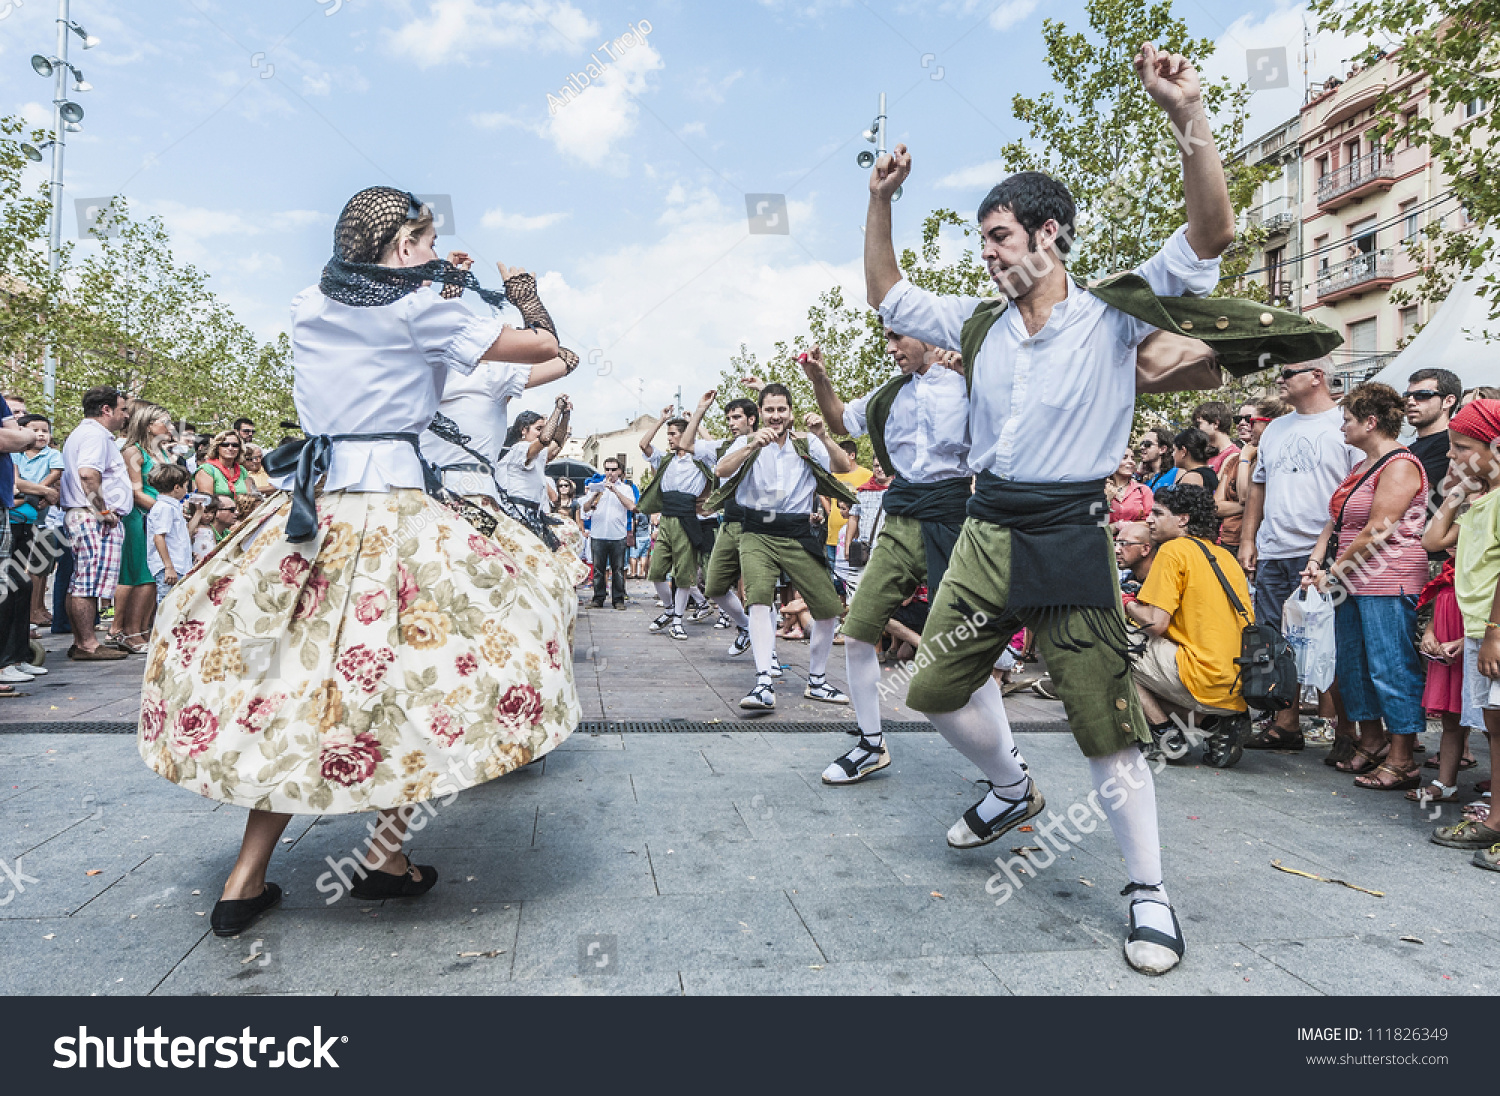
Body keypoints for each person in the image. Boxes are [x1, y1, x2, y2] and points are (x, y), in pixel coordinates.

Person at [865, 42, 1256, 976]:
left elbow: (1214, 233)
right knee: (929, 690)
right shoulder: (975, 323)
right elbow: (883, 294)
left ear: (1049, 235)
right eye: (983, 240)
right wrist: (880, 201)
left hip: (1071, 536)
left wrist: (1185, 116)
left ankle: (1148, 893)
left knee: (1108, 727)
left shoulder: (1115, 314)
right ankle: (1009, 787)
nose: (987, 252)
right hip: (988, 531)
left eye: (998, 235)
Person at [139, 186, 579, 937]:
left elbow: (375, 314)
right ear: (402, 248)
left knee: (292, 688)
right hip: (396, 514)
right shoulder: (424, 310)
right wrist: (520, 297)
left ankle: (246, 879)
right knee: (413, 681)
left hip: (310, 514)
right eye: (428, 240)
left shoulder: (309, 303)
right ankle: (382, 856)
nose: (439, 251)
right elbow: (546, 351)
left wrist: (429, 278)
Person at [799, 335, 971, 785]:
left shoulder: (971, 381)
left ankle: (1007, 763)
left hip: (953, 520)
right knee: (857, 635)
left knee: (971, 647)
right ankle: (871, 744)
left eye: (898, 336)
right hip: (900, 519)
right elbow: (839, 420)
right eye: (887, 337)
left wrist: (972, 368)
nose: (891, 346)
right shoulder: (889, 394)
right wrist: (819, 378)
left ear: (930, 334)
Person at [1300, 383, 1428, 788]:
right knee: (1353, 665)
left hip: (1387, 579)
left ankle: (1403, 757)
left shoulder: (1401, 464)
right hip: (1349, 580)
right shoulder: (1360, 468)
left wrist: (1333, 571)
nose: (1342, 428)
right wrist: (1317, 562)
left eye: (1348, 420)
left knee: (1390, 667)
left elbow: (1377, 529)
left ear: (1371, 423)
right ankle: (1371, 742)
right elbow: (1336, 521)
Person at [1239, 358, 1360, 751]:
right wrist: (1248, 539)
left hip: (1325, 552)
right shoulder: (1274, 428)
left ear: (1316, 377)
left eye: (1287, 374)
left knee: (1331, 640)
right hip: (1275, 549)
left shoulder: (1346, 424)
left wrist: (1336, 553)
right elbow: (1258, 487)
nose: (1280, 381)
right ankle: (1286, 724)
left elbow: (1360, 488)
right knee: (1275, 639)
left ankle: (1345, 730)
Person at [711, 383, 855, 711]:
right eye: (769, 410)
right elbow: (720, 471)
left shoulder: (806, 443)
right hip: (756, 531)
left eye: (781, 410)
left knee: (828, 610)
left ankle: (817, 681)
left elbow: (843, 468)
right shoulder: (745, 441)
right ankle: (763, 682)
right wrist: (750, 447)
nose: (775, 416)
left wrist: (824, 435)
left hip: (796, 531)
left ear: (790, 413)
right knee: (759, 601)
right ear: (759, 413)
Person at [1125, 485, 1251, 767]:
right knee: (1141, 661)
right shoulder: (1224, 556)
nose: (1149, 519)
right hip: (1237, 681)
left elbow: (1156, 624)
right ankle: (1215, 723)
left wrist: (1126, 603)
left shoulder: (1172, 550)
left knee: (1110, 646)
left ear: (1183, 519)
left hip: (1203, 679)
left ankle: (1163, 732)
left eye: (1158, 513)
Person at [1426, 398, 1500, 868]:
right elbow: (1436, 543)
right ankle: (1495, 820)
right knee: (1494, 730)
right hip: (1479, 629)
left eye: (1462, 447)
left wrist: (1493, 630)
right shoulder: (1482, 498)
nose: (1452, 457)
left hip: (1493, 629)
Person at [638, 393, 721, 640]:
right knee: (655, 572)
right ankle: (670, 610)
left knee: (683, 575)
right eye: (669, 434)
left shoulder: (700, 459)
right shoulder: (666, 459)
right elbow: (643, 445)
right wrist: (661, 420)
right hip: (667, 518)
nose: (670, 438)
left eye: (674, 434)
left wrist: (697, 423)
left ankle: (677, 621)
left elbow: (718, 447)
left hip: (688, 518)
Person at [60, 386, 134, 662]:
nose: (125, 415)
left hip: (85, 514)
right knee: (88, 581)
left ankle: (83, 640)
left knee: (82, 579)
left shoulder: (86, 433)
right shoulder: (95, 435)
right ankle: (88, 643)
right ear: (106, 410)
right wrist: (102, 511)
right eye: (122, 409)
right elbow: (89, 474)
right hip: (92, 516)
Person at [702, 396, 761, 656]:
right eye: (728, 418)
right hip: (730, 521)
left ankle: (766, 654)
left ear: (752, 418)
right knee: (714, 587)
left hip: (758, 523)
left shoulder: (765, 440)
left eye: (736, 417)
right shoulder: (729, 446)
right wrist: (700, 411)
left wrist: (762, 389)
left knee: (759, 593)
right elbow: (687, 443)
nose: (731, 423)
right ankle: (746, 627)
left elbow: (785, 421)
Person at [114, 401, 174, 654]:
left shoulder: (163, 452)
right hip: (141, 516)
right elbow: (136, 491)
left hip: (161, 517)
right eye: (166, 422)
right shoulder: (133, 452)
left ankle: (144, 628)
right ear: (149, 426)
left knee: (157, 573)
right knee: (141, 574)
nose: (171, 426)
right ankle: (130, 631)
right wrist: (163, 508)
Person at [0, 397, 43, 692]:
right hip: (12, 515)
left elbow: (17, 438)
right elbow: (12, 439)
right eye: (14, 414)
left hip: (12, 516)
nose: (20, 419)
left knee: (18, 584)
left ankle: (13, 658)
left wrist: (20, 435)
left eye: (20, 413)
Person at [11, 414, 64, 627]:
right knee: (22, 569)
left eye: (45, 430)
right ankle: (28, 614)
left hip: (43, 518)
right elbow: (16, 483)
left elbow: (55, 475)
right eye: (36, 430)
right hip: (20, 516)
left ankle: (37, 608)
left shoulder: (52, 455)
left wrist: (40, 492)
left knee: (42, 567)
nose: (41, 434)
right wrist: (40, 493)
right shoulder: (16, 456)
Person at [583, 457, 636, 609]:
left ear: (619, 471)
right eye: (607, 469)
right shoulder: (596, 487)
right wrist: (595, 494)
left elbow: (631, 506)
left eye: (613, 470)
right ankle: (598, 598)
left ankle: (618, 600)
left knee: (618, 570)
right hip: (598, 534)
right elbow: (585, 508)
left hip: (617, 535)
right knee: (598, 570)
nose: (610, 473)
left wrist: (615, 490)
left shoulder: (626, 489)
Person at [1404, 368, 1461, 507]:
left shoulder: (1450, 445)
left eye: (1422, 395)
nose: (1411, 402)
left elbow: (1410, 494)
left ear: (1448, 401)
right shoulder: (1410, 448)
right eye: (1407, 395)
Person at [1212, 402, 1257, 558]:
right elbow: (1216, 506)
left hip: (1255, 544)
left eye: (1248, 419)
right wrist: (1253, 507)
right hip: (1228, 541)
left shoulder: (1260, 458)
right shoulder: (1233, 461)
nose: (1242, 423)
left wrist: (1245, 458)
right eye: (1238, 419)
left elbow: (1244, 496)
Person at [822, 438, 874, 567]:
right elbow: (823, 495)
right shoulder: (833, 474)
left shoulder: (867, 475)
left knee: (850, 575)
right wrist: (830, 512)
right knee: (833, 577)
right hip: (833, 534)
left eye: (841, 454)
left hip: (854, 536)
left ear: (852, 455)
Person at [145, 463, 193, 603]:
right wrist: (168, 566)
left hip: (179, 564)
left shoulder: (173, 507)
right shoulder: (165, 508)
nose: (187, 489)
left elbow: (182, 534)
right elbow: (159, 537)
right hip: (171, 565)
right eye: (185, 485)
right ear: (176, 487)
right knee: (168, 604)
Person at [193, 430, 255, 500]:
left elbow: (248, 499)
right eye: (225, 445)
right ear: (217, 448)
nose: (230, 448)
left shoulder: (242, 470)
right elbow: (207, 502)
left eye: (235, 445)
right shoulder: (206, 470)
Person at [1106, 449, 1153, 526]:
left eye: (1132, 458)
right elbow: (1094, 523)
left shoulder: (1143, 490)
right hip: (1107, 537)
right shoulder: (1101, 490)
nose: (1131, 462)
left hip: (1135, 536)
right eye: (1124, 457)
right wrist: (1107, 501)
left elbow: (1152, 520)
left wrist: (1124, 525)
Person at [1194, 400, 1240, 475]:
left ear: (1215, 423)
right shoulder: (1207, 453)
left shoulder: (1233, 455)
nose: (1197, 429)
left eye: (1199, 424)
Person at [1114, 520, 1155, 604]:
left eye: (1123, 543)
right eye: (1115, 544)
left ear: (1145, 549)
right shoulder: (1128, 580)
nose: (1116, 550)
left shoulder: (1161, 583)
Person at [1169, 427, 1217, 493]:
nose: (1172, 454)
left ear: (1183, 451)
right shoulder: (1209, 473)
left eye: (1174, 450)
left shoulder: (1192, 478)